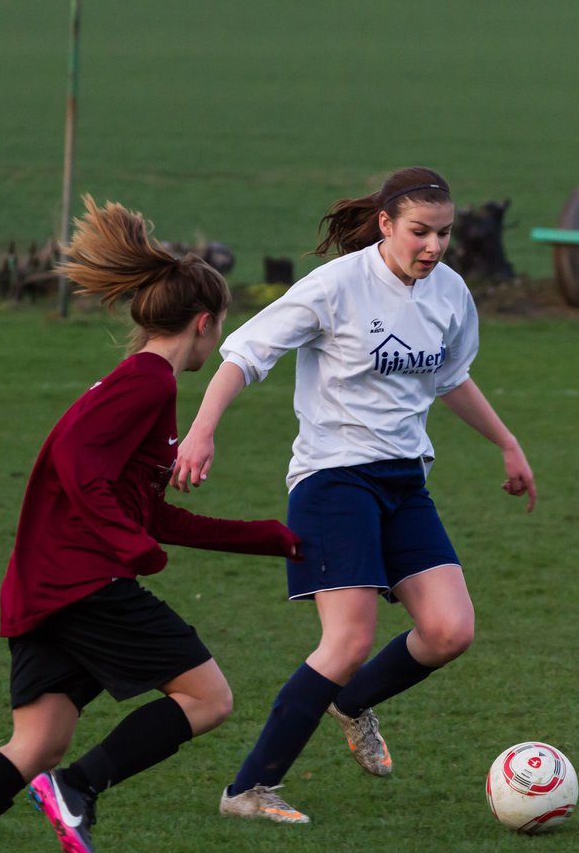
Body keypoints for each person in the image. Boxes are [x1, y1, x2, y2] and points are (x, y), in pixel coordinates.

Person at [0, 196, 301, 853]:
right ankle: (77, 788)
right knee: (209, 699)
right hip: (83, 582)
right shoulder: (150, 385)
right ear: (203, 323)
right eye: (221, 325)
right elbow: (76, 464)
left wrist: (264, 537)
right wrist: (128, 546)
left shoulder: (138, 383)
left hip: (45, 585)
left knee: (35, 743)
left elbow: (149, 513)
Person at [169, 166, 536, 823]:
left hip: (403, 481)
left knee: (450, 631)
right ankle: (248, 789)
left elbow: (452, 379)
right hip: (333, 479)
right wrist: (201, 431)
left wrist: (507, 443)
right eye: (419, 232)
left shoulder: (450, 294)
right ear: (387, 225)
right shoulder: (336, 287)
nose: (433, 246)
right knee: (347, 640)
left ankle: (351, 700)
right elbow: (244, 356)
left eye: (444, 234)